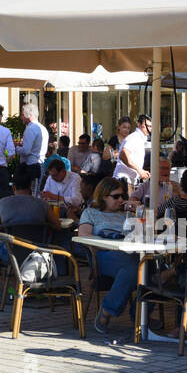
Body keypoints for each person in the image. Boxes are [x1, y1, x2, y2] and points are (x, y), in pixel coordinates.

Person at [78, 177, 140, 330]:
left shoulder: (128, 214)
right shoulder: (91, 213)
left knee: (151, 269)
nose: (120, 200)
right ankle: (111, 310)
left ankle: (138, 313)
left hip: (130, 253)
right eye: (116, 196)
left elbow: (143, 234)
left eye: (122, 196)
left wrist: (139, 212)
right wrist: (108, 242)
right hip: (103, 255)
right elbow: (83, 235)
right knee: (136, 269)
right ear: (104, 196)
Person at [0, 171, 58, 235]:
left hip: (10, 248)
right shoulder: (43, 204)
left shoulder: (1, 203)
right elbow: (58, 225)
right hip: (38, 248)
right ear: (30, 186)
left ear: (13, 187)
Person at [16, 103, 48, 187]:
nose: (21, 117)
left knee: (30, 193)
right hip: (40, 164)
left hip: (31, 166)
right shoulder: (42, 128)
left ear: (29, 115)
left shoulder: (30, 128)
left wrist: (16, 147)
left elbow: (26, 151)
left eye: (23, 115)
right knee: (36, 192)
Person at [117, 114, 151, 188]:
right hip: (124, 182)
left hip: (129, 181)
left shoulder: (140, 138)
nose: (149, 129)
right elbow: (122, 155)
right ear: (139, 124)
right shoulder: (135, 137)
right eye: (146, 126)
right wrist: (139, 170)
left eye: (150, 126)